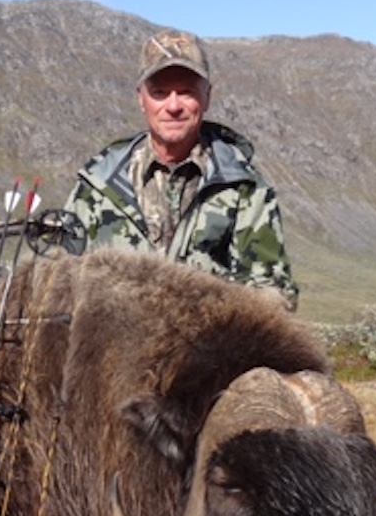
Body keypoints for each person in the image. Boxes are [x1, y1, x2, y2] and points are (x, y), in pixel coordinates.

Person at [63, 28, 299, 310]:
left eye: (186, 92)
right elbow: (58, 278)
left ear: (207, 97)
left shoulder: (245, 188)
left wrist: (202, 312)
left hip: (210, 349)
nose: (173, 106)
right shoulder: (99, 184)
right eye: (160, 93)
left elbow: (274, 294)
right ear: (141, 99)